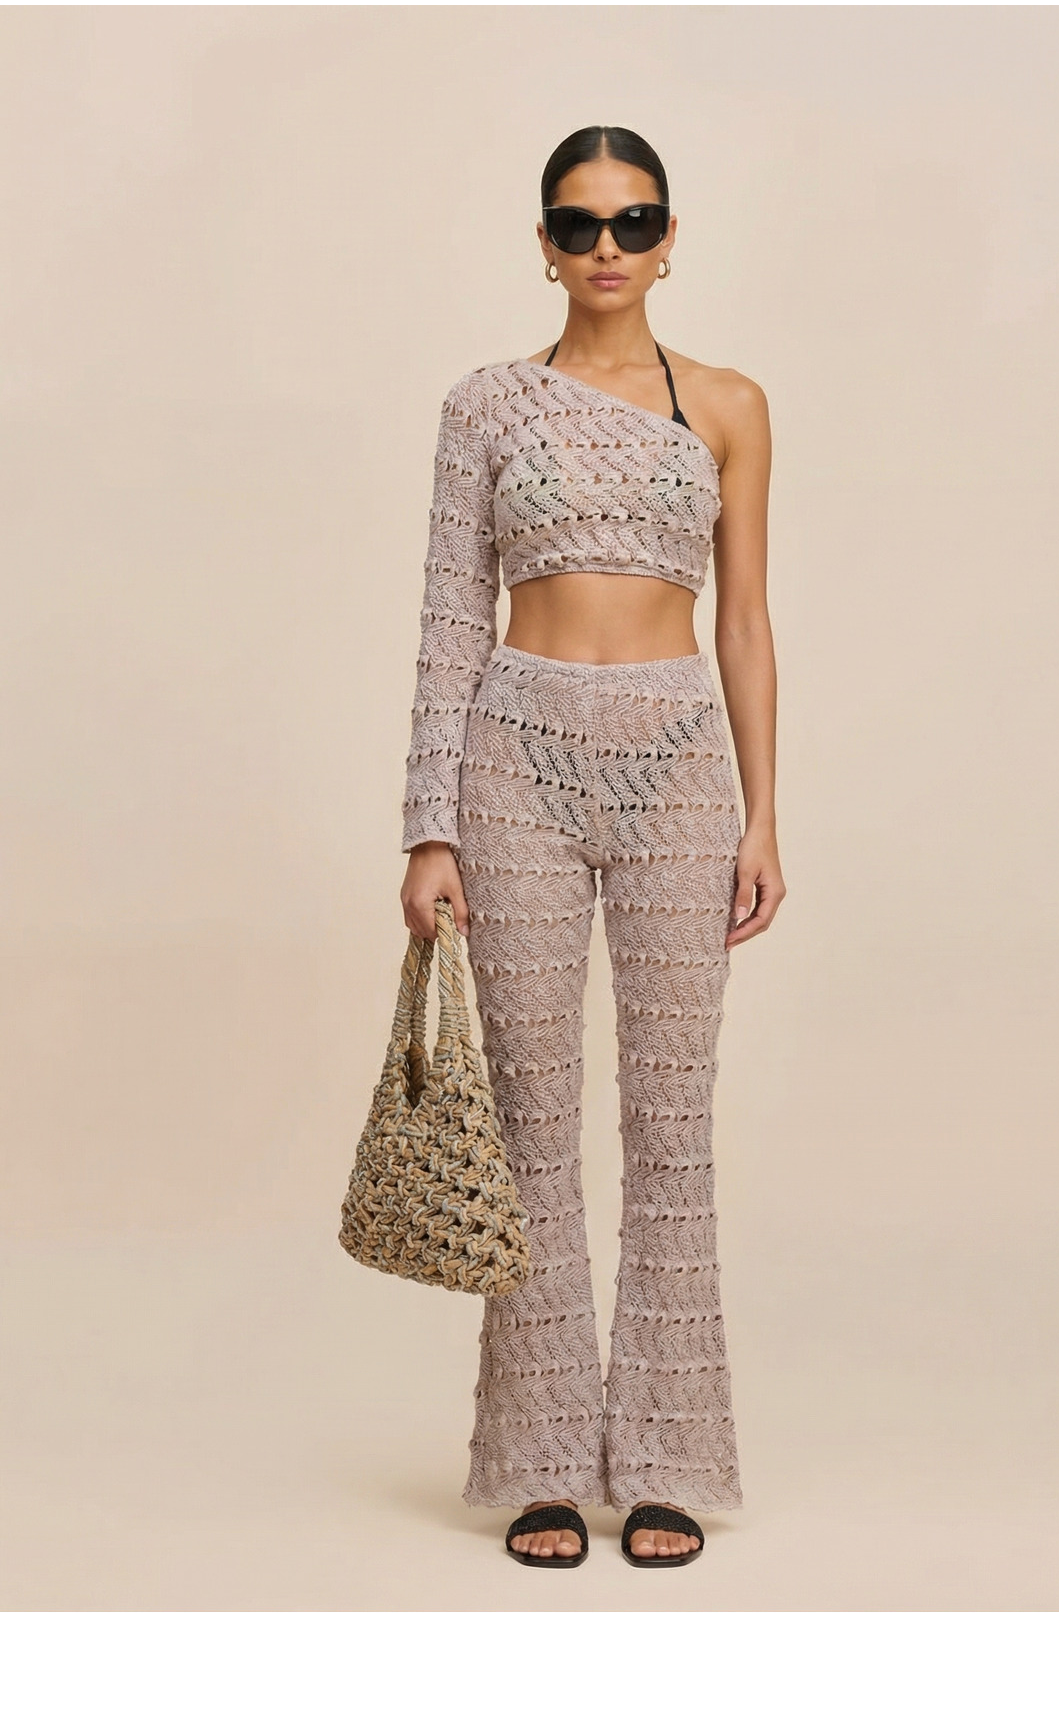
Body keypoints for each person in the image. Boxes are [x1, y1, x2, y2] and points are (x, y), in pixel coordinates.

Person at [399, 124, 785, 1569]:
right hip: (516, 757)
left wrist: (764, 811)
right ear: (546, 245)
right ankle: (544, 1463)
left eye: (632, 223)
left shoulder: (729, 404)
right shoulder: (487, 406)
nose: (606, 248)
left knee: (674, 1126)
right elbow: (450, 613)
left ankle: (672, 1458)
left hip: (681, 760)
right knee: (534, 1124)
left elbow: (745, 618)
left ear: (669, 240)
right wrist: (430, 825)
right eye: (578, 224)